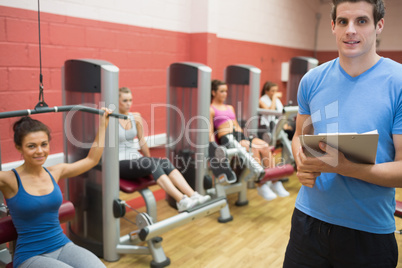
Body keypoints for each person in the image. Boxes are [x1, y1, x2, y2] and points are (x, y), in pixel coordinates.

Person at [284, 0, 402, 267]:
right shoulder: (312, 80)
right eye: (343, 22)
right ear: (333, 26)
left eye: (361, 21)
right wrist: (300, 160)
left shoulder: (397, 82)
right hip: (307, 223)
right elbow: (300, 138)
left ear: (378, 26)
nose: (350, 30)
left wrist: (348, 168)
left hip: (368, 232)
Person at [0, 109, 112, 268]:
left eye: (44, 144)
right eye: (31, 146)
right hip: (30, 255)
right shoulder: (9, 179)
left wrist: (103, 124)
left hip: (62, 245)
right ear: (19, 148)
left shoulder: (55, 171)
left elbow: (91, 160)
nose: (40, 151)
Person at [118, 87, 211, 212]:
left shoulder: (135, 117)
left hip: (135, 159)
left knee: (165, 162)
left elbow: (142, 141)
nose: (129, 103)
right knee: (151, 163)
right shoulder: (110, 119)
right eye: (124, 100)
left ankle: (193, 195)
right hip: (119, 162)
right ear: (116, 101)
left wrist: (150, 159)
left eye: (130, 100)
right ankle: (181, 200)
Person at [209, 79, 289, 200]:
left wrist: (247, 137)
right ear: (213, 92)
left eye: (226, 91)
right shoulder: (211, 109)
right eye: (221, 91)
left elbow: (236, 125)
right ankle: (261, 184)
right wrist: (213, 147)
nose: (225, 94)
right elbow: (210, 131)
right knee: (254, 148)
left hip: (238, 135)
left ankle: (275, 182)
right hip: (226, 137)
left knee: (265, 146)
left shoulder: (230, 107)